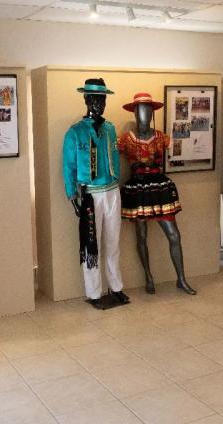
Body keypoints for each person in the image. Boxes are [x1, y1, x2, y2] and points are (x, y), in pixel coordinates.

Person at [118, 92, 196, 295]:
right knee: (141, 235)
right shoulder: (126, 139)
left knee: (174, 235)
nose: (144, 113)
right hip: (138, 190)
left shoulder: (161, 137)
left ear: (152, 112)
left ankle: (181, 279)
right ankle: (148, 276)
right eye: (141, 109)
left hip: (159, 187)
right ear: (135, 112)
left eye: (148, 109)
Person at [62, 78, 129, 309]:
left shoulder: (110, 129)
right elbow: (68, 167)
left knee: (113, 242)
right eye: (95, 99)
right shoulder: (75, 132)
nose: (100, 104)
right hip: (91, 194)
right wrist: (73, 198)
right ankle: (94, 292)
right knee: (91, 245)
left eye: (103, 99)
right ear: (86, 99)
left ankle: (116, 287)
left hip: (112, 191)